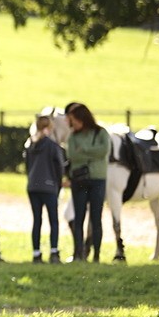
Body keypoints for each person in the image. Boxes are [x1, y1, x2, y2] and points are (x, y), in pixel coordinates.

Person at [63, 102, 111, 262]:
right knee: (79, 218)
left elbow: (103, 151)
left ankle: (96, 254)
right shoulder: (73, 137)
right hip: (79, 180)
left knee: (96, 218)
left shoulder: (100, 133)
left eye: (73, 120)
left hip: (97, 180)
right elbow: (73, 156)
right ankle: (78, 254)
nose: (72, 124)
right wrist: (91, 153)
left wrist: (83, 151)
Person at [25, 114, 66, 263]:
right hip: (49, 187)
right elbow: (59, 168)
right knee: (53, 220)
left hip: (33, 187)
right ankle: (54, 252)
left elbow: (27, 166)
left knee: (37, 220)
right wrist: (58, 184)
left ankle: (36, 253)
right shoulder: (52, 146)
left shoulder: (30, 144)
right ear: (49, 128)